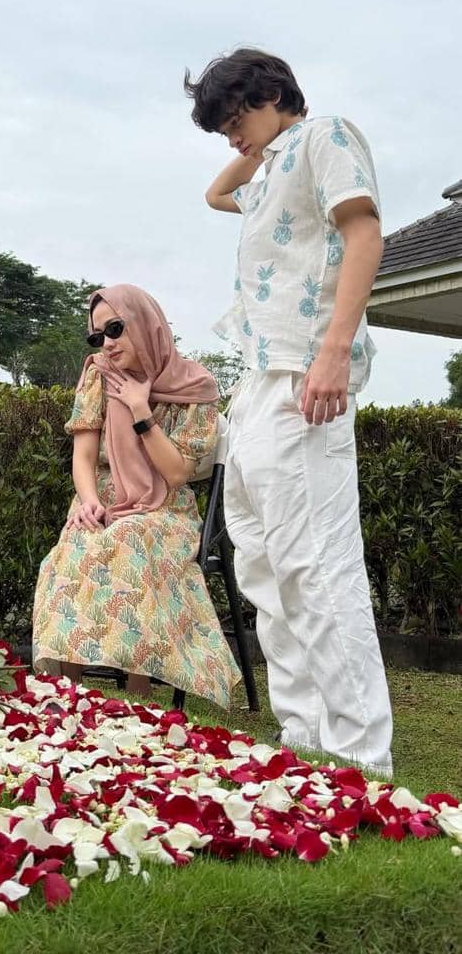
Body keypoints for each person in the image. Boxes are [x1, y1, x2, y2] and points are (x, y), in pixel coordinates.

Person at [185, 47, 393, 775]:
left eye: (233, 117)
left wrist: (334, 351)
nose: (229, 137)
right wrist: (253, 143)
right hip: (259, 380)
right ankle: (304, 741)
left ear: (273, 93)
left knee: (316, 563)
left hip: (307, 370)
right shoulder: (274, 165)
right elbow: (216, 194)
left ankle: (359, 758)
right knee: (265, 563)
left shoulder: (325, 136)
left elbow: (364, 232)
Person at [31, 283, 241, 707]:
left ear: (146, 324)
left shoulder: (195, 386)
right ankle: (72, 694)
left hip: (165, 510)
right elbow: (84, 455)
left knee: (131, 543)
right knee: (73, 548)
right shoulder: (98, 375)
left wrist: (141, 410)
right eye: (97, 337)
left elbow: (178, 472)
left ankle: (137, 697)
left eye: (114, 329)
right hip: (103, 499)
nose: (106, 344)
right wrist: (88, 500)